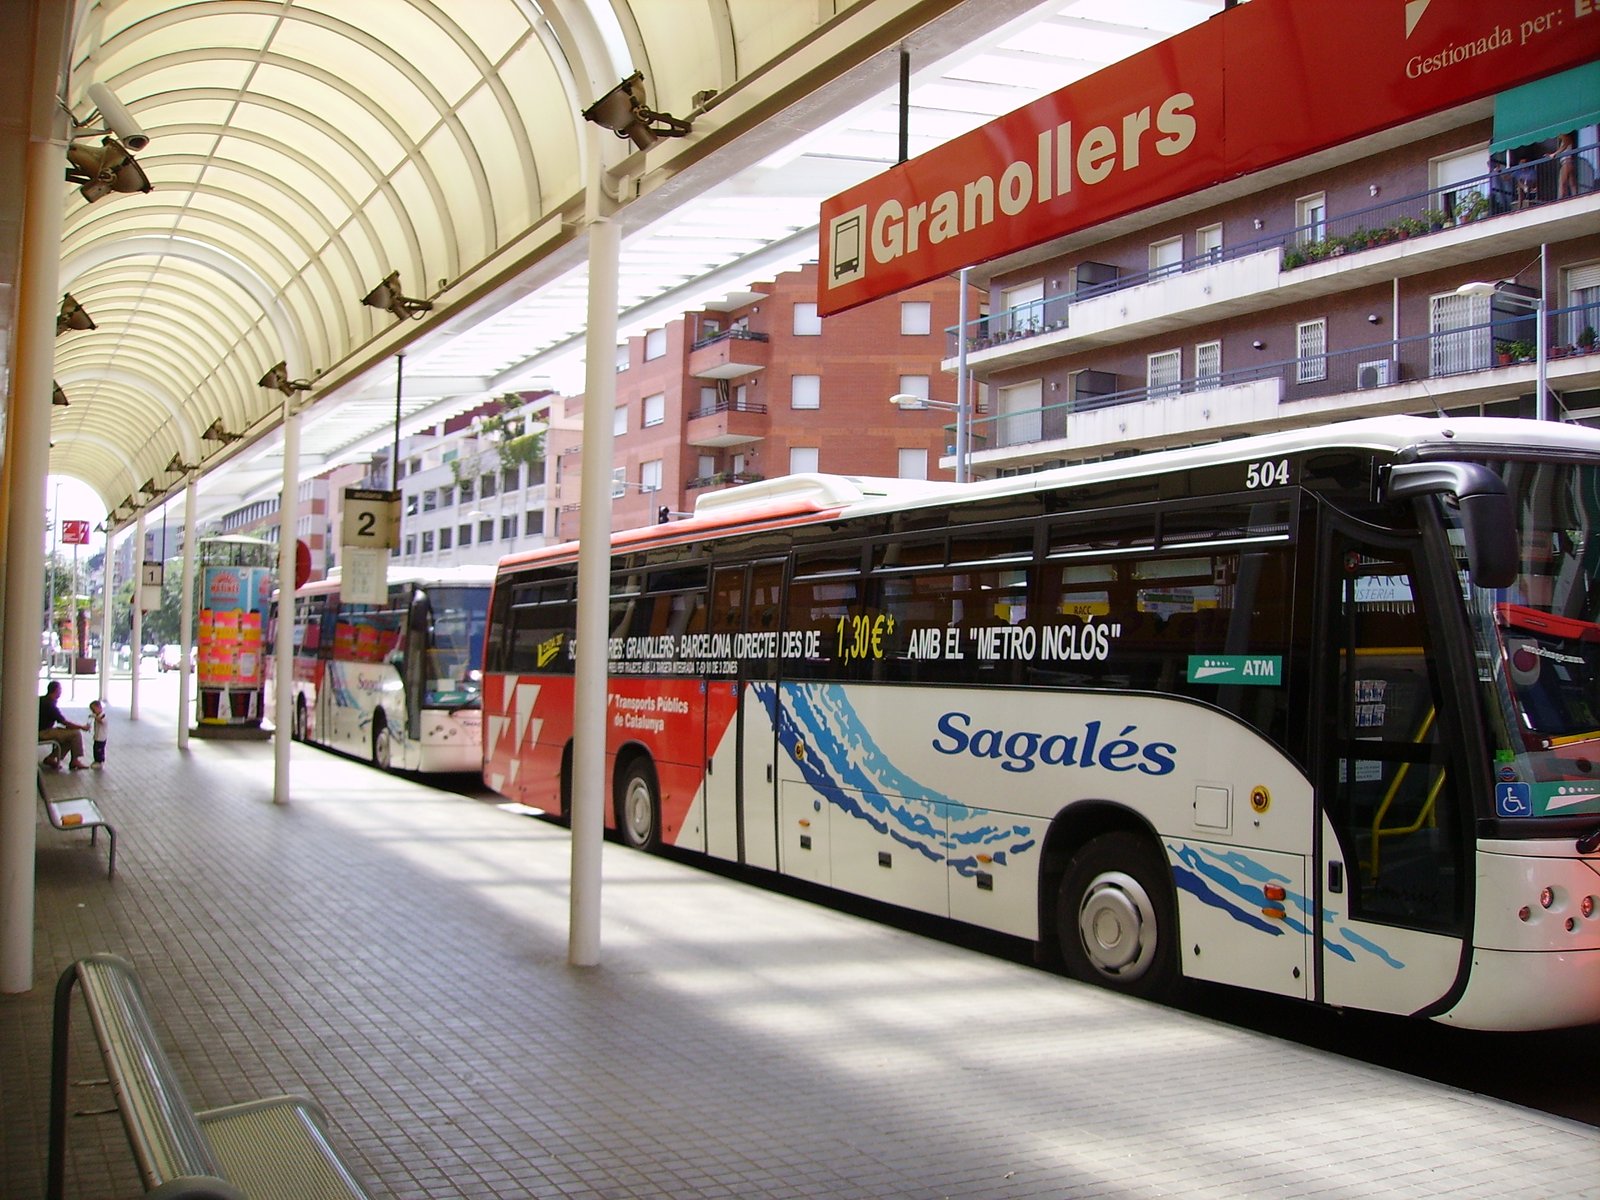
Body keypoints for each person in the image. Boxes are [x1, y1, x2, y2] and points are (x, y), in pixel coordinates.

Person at [38, 681, 88, 769]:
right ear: (56, 690)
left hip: (38, 730)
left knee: (69, 737)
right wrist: (81, 727)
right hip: (43, 732)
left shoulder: (42, 700)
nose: (61, 692)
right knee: (75, 734)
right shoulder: (50, 705)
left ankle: (52, 757)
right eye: (60, 689)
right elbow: (64, 722)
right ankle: (74, 761)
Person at [89, 699, 109, 768]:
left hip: (101, 737)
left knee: (99, 750)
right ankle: (96, 760)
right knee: (95, 749)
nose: (93, 712)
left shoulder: (103, 715)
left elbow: (100, 721)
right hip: (97, 736)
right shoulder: (98, 715)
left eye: (94, 710)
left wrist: (94, 716)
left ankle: (100, 761)